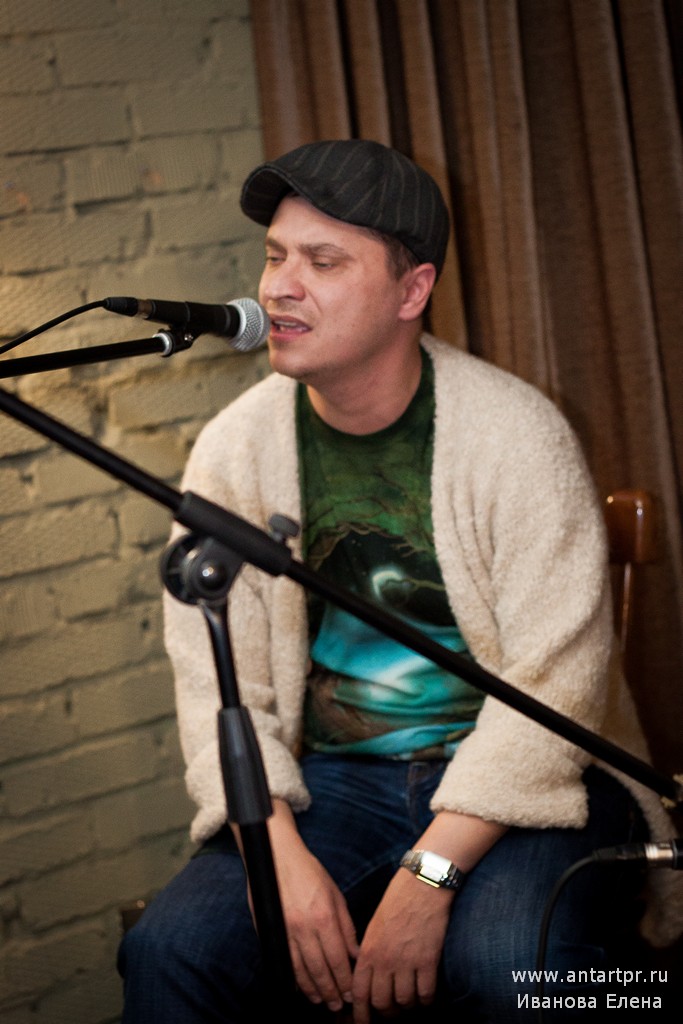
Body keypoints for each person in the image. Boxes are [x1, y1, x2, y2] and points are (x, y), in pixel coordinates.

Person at [118, 139, 682, 1023]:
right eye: (275, 255)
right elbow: (217, 689)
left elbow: (555, 692)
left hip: (528, 778)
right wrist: (277, 857)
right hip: (336, 781)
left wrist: (429, 877)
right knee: (170, 951)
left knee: (508, 966)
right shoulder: (233, 449)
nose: (279, 287)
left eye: (323, 262)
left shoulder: (517, 436)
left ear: (411, 291)